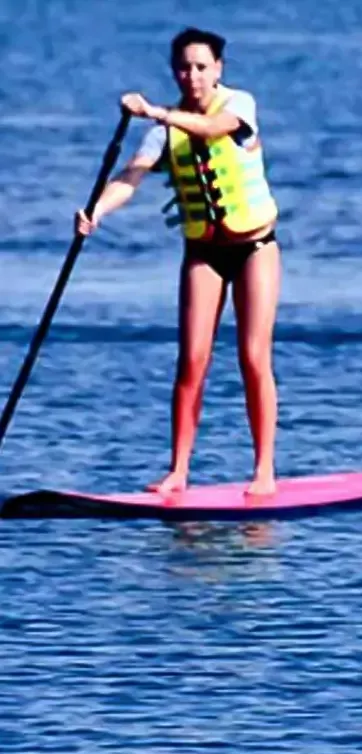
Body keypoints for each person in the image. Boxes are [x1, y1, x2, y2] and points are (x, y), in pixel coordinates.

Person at [75, 27, 281, 496]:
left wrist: (156, 111)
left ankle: (264, 470)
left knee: (252, 357)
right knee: (191, 360)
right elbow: (130, 177)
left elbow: (212, 129)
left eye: (202, 67)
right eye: (184, 68)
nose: (193, 76)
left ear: (218, 69)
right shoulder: (161, 133)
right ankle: (179, 470)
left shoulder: (239, 105)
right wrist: (95, 213)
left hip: (254, 249)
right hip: (204, 253)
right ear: (175, 71)